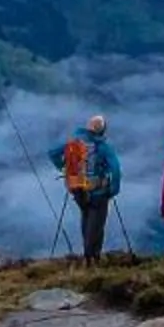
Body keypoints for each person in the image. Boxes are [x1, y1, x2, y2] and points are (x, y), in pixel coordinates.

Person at [49, 113, 122, 265]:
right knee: (97, 224)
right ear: (102, 130)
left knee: (86, 218)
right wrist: (113, 189)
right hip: (98, 191)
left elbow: (52, 153)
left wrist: (64, 168)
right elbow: (115, 169)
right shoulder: (103, 147)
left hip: (78, 189)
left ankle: (89, 254)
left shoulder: (74, 143)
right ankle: (91, 257)